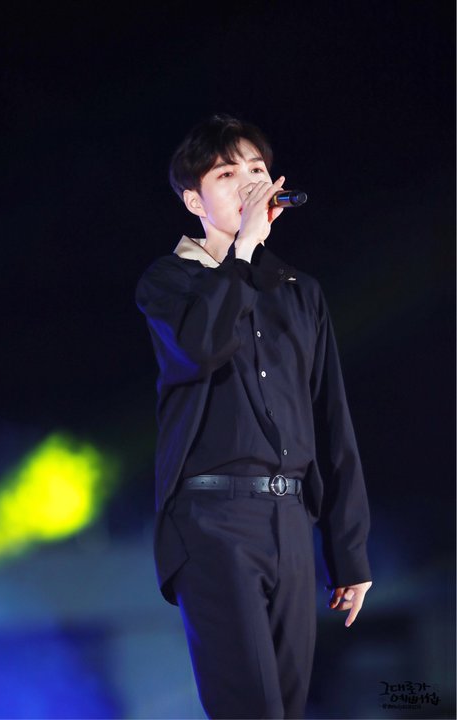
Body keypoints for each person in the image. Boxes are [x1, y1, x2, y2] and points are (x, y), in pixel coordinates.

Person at [135, 114, 372, 720]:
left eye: (258, 169)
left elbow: (330, 417)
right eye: (226, 173)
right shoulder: (168, 283)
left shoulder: (298, 291)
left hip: (291, 520)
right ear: (194, 200)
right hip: (212, 521)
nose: (248, 183)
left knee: (288, 709)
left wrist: (348, 551)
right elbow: (200, 347)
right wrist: (241, 250)